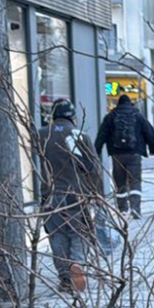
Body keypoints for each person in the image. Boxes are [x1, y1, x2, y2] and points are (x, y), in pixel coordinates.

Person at [37, 99, 98, 293]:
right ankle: (77, 263)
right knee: (78, 233)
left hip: (50, 194)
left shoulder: (41, 135)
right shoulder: (80, 135)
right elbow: (93, 168)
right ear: (72, 117)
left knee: (57, 235)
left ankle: (65, 278)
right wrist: (95, 194)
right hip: (76, 194)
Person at [96, 94, 154, 219]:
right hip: (134, 153)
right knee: (135, 181)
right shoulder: (138, 115)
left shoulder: (111, 116)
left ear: (118, 104)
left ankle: (122, 209)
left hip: (117, 154)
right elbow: (149, 132)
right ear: (130, 103)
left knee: (120, 182)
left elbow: (102, 134)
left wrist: (96, 151)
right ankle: (135, 208)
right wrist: (152, 149)